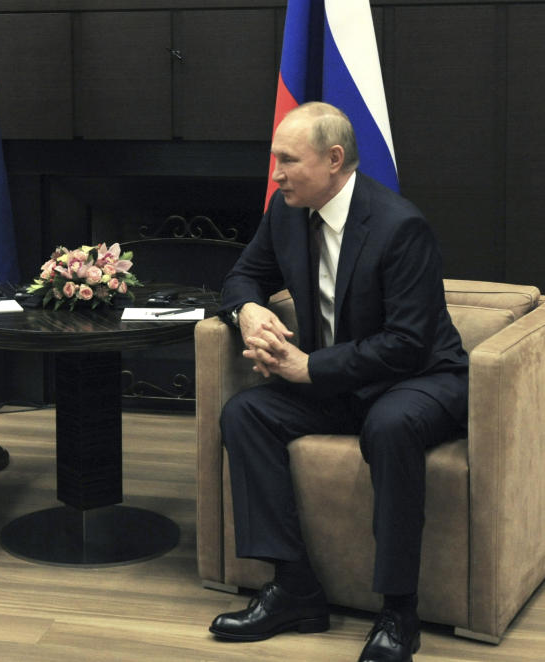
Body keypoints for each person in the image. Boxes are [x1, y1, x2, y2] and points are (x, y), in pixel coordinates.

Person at [209, 102, 468, 662]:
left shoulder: (400, 226)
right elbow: (242, 276)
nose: (275, 174)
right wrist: (248, 313)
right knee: (245, 414)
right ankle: (295, 590)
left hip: (422, 380)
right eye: (274, 160)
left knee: (391, 424)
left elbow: (408, 343)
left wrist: (309, 368)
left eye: (287, 160)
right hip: (343, 382)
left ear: (333, 160)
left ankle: (400, 612)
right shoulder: (285, 212)